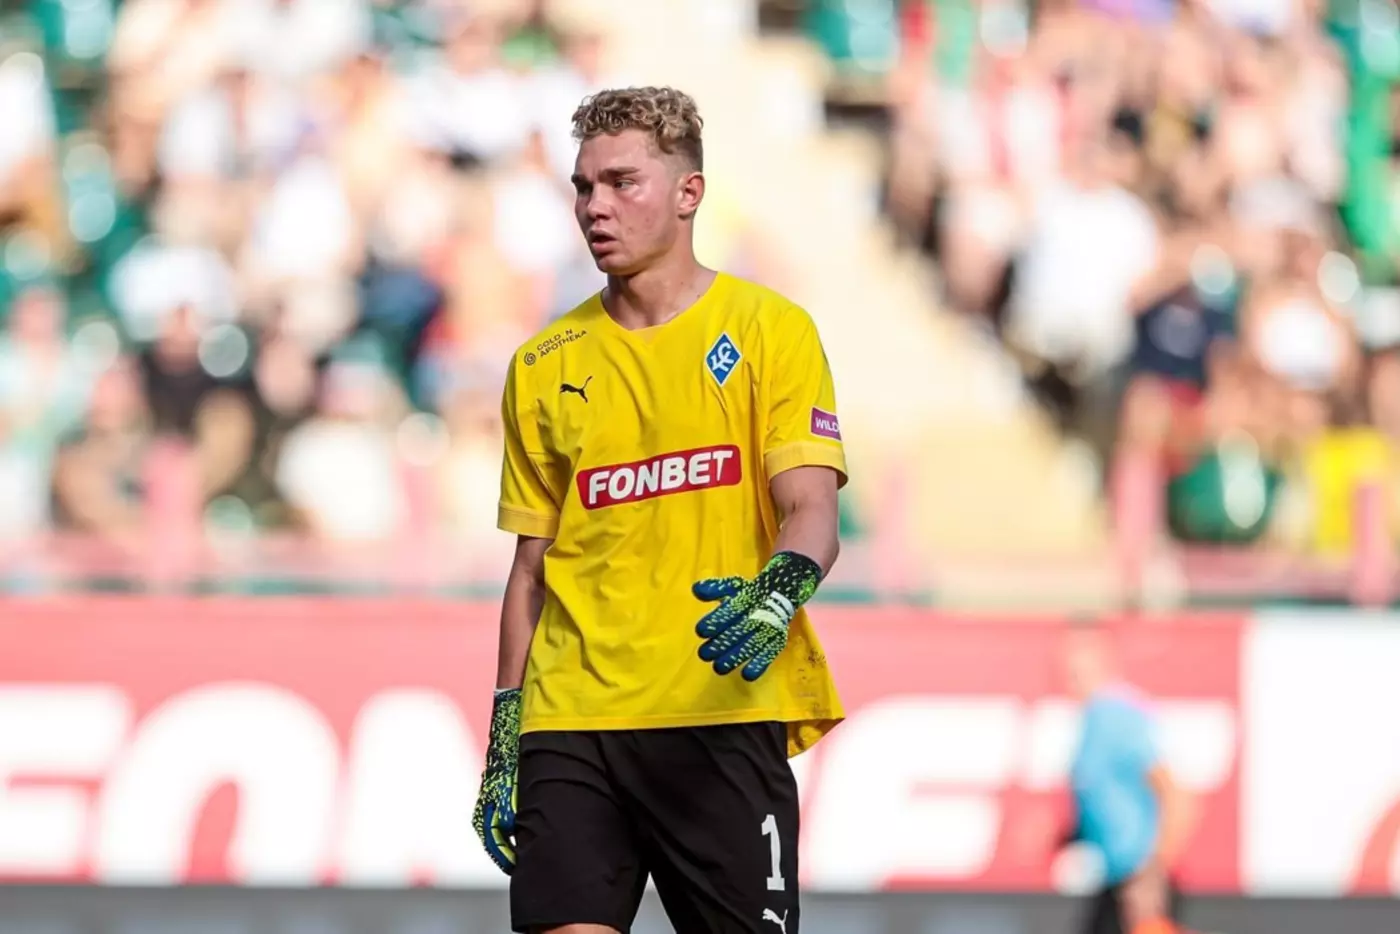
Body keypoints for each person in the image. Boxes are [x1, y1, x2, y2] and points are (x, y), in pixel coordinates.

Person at [471, 86, 848, 934]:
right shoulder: (542, 363)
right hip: (573, 716)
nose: (594, 207)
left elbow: (811, 511)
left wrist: (776, 594)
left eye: (621, 182)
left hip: (720, 706)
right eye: (583, 186)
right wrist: (505, 731)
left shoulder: (770, 329)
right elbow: (530, 571)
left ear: (688, 193)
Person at [1062, 622, 1196, 934]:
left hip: (1139, 882)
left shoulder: (1116, 716)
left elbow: (1177, 796)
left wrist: (1153, 872)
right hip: (1117, 878)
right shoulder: (1092, 721)